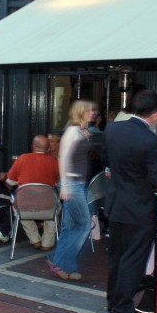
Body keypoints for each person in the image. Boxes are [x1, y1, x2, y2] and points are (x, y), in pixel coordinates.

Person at [104, 90, 157, 313]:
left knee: (116, 255)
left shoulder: (112, 130)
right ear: (154, 115)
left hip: (115, 203)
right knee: (132, 259)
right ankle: (123, 310)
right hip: (138, 207)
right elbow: (156, 178)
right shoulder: (149, 140)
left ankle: (113, 301)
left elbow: (108, 160)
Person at [47, 100, 97, 281]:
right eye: (89, 110)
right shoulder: (72, 131)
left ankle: (57, 261)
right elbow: (63, 157)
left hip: (77, 183)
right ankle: (62, 264)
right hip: (73, 184)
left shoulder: (78, 131)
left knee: (70, 226)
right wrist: (66, 185)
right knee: (84, 225)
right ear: (81, 112)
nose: (93, 113)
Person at [6, 135, 60, 251]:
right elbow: (58, 182)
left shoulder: (22, 158)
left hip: (26, 207)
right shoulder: (54, 161)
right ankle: (47, 243)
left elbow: (10, 181)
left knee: (20, 207)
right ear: (47, 148)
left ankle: (35, 240)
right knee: (51, 217)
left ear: (33, 146)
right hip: (47, 206)